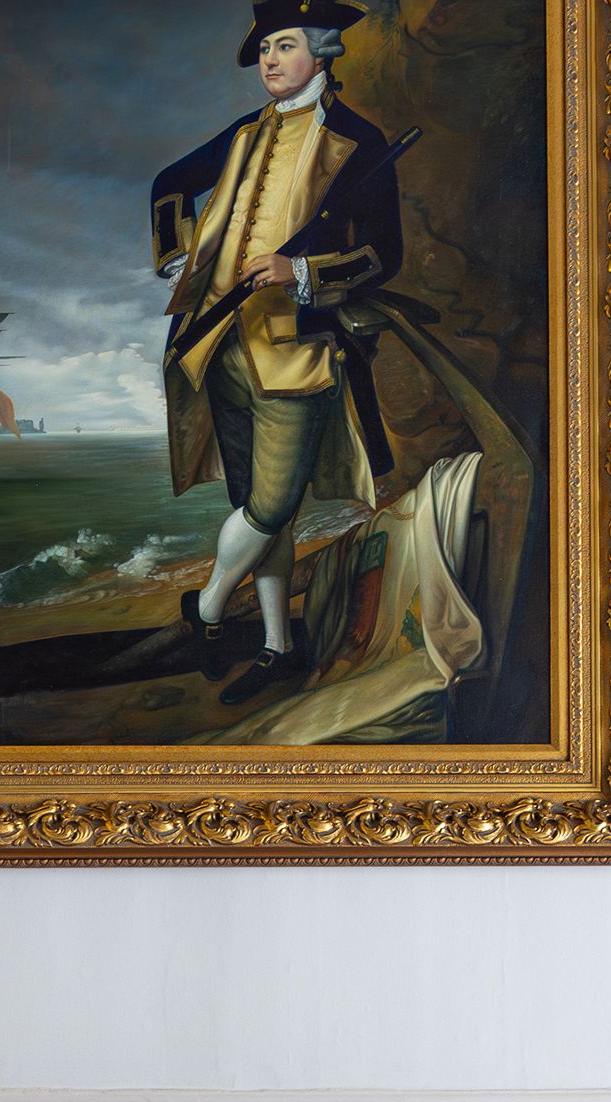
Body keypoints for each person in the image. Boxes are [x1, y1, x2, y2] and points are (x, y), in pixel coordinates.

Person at [150, 0, 403, 707]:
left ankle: (203, 610)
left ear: (320, 54)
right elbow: (170, 184)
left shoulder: (360, 140)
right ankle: (276, 648)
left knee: (268, 505)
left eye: (283, 46)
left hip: (300, 352)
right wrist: (179, 263)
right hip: (224, 345)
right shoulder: (246, 132)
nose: (267, 60)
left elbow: (385, 255)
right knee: (266, 514)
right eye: (263, 48)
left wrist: (299, 274)